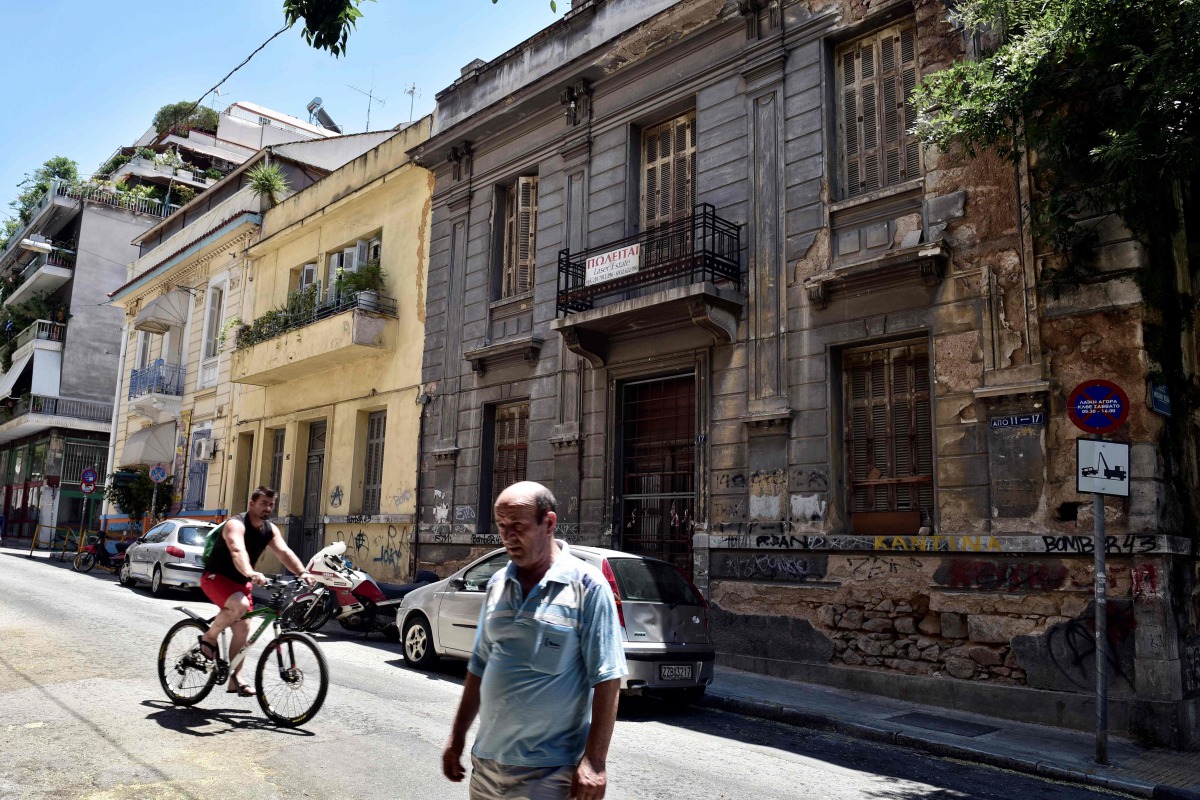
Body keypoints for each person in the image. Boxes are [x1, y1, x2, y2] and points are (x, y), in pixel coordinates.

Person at [443, 481, 627, 800]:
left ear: (549, 523)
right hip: (487, 766)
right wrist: (456, 738)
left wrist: (595, 762)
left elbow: (608, 678)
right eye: (502, 526)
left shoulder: (588, 587)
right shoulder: (499, 583)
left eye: (518, 526)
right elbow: (479, 668)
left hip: (551, 773)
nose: (508, 536)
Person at [197, 486, 313, 695]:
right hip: (216, 577)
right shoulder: (235, 524)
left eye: (271, 505)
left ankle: (235, 678)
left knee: (243, 628)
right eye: (263, 504)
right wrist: (251, 572)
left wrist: (302, 572)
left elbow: (284, 552)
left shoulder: (269, 530)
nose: (268, 508)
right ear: (252, 504)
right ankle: (210, 636)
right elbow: (236, 550)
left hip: (240, 583)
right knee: (239, 606)